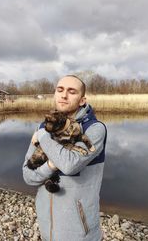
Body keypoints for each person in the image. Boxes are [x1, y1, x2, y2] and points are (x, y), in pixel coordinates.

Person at [22, 75, 107, 241]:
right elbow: (28, 176)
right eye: (59, 90)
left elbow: (69, 165)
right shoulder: (43, 127)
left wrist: (43, 136)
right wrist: (51, 165)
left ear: (82, 100)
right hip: (48, 229)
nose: (63, 95)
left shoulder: (94, 129)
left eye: (71, 91)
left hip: (79, 233)